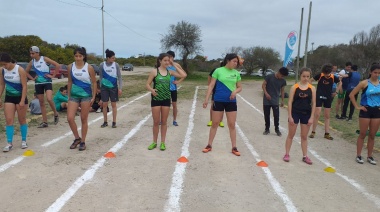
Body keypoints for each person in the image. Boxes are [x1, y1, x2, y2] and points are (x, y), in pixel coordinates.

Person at [202, 53, 242, 156]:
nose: (236, 63)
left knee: (232, 124)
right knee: (215, 123)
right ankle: (209, 145)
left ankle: (234, 147)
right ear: (228, 61)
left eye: (237, 62)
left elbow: (240, 87)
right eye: (234, 61)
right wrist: (206, 99)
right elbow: (211, 85)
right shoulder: (218, 71)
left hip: (231, 102)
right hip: (218, 100)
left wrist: (235, 91)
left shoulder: (236, 73)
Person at [146, 53, 187, 151]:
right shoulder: (154, 72)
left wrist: (174, 64)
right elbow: (147, 84)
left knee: (164, 122)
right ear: (160, 61)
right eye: (165, 60)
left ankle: (163, 143)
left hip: (166, 99)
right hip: (156, 99)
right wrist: (152, 90)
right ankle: (154, 142)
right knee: (156, 122)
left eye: (168, 60)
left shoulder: (170, 72)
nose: (167, 62)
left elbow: (184, 75)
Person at [283, 67, 316, 165]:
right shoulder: (295, 87)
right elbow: (290, 102)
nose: (305, 78)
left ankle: (305, 156)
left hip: (306, 114)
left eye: (307, 76)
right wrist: (290, 116)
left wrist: (312, 117)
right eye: (303, 76)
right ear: (300, 76)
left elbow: (314, 103)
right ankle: (287, 154)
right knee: (291, 134)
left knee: (304, 136)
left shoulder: (312, 88)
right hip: (295, 113)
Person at [349, 63, 380, 165]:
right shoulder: (364, 83)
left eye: (379, 73)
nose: (377, 74)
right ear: (370, 72)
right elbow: (352, 94)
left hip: (376, 111)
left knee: (372, 135)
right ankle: (358, 155)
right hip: (366, 110)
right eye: (375, 72)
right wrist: (358, 107)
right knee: (362, 134)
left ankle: (370, 156)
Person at [67, 47, 97, 151]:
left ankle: (83, 141)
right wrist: (69, 94)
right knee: (70, 118)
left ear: (83, 56)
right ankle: (77, 138)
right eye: (76, 56)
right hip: (74, 96)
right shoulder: (70, 67)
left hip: (86, 96)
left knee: (83, 119)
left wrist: (93, 96)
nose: (78, 58)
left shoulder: (89, 68)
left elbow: (94, 82)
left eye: (80, 56)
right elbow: (69, 81)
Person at [25, 46, 60, 128]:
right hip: (38, 84)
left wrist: (53, 75)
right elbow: (26, 72)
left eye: (33, 53)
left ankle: (55, 113)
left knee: (49, 98)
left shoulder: (44, 59)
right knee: (41, 103)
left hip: (47, 82)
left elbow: (57, 65)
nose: (31, 55)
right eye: (30, 53)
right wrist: (32, 78)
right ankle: (45, 122)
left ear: (38, 53)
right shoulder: (32, 62)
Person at [0, 53, 29, 152]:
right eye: (2, 65)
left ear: (9, 62)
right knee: (9, 120)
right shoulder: (2, 70)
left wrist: (22, 100)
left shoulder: (19, 69)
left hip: (20, 97)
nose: (4, 66)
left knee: (22, 120)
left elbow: (25, 86)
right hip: (9, 98)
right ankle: (9, 143)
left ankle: (24, 140)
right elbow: (2, 85)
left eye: (5, 64)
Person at [309, 63, 340, 140]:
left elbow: (340, 82)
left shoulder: (333, 77)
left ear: (330, 72)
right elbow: (310, 80)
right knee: (317, 113)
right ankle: (313, 132)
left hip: (328, 97)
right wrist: (312, 90)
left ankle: (327, 133)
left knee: (327, 115)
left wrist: (336, 92)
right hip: (319, 96)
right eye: (325, 74)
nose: (326, 75)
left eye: (327, 74)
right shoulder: (320, 75)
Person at [262, 67, 289, 136]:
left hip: (275, 100)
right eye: (282, 76)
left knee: (276, 116)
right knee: (266, 115)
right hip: (267, 100)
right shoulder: (269, 77)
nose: (282, 77)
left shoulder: (283, 81)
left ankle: (277, 129)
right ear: (279, 73)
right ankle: (267, 129)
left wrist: (282, 100)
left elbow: (282, 91)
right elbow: (263, 85)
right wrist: (266, 93)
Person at [99, 49, 122, 128]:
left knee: (113, 104)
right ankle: (105, 121)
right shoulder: (102, 65)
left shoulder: (116, 65)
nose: (114, 59)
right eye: (112, 58)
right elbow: (101, 77)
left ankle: (114, 122)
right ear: (108, 58)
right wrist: (100, 87)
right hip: (104, 88)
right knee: (104, 104)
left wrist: (120, 88)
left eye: (114, 58)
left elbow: (119, 77)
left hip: (113, 88)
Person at [167, 50, 186, 126]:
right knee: (165, 105)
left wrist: (178, 81)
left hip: (173, 88)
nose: (169, 59)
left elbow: (184, 74)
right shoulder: (165, 64)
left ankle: (174, 120)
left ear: (173, 57)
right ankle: (163, 119)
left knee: (174, 104)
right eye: (168, 57)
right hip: (165, 88)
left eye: (170, 57)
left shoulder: (176, 65)